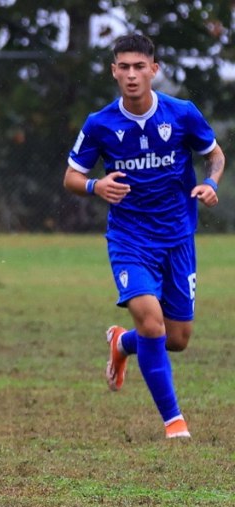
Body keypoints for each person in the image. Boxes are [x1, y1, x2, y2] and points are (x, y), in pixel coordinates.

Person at [64, 34, 225, 439]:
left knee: (177, 338)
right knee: (153, 324)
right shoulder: (99, 124)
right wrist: (94, 187)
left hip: (178, 238)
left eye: (140, 66)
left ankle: (122, 344)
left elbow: (215, 154)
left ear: (154, 69)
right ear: (114, 71)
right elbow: (71, 176)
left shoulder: (182, 114)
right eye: (124, 67)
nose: (132, 75)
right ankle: (175, 423)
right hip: (130, 240)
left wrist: (212, 184)